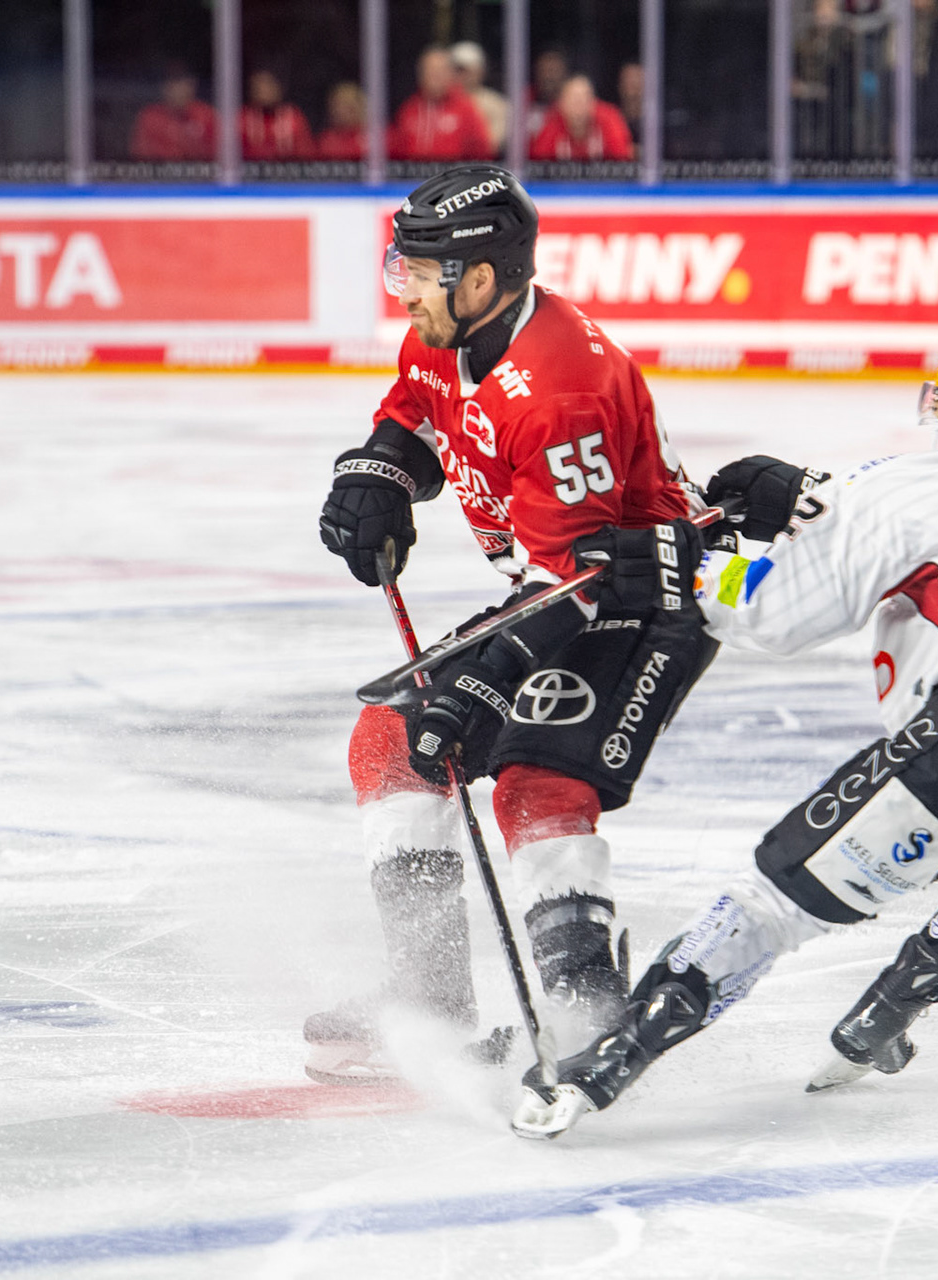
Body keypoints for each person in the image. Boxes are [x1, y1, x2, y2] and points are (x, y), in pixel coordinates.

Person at [511, 331, 938, 1137]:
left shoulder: (910, 482)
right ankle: (895, 1004)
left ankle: (605, 1062)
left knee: (775, 903)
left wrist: (687, 566)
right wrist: (814, 501)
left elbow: (773, 614)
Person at [308, 165, 712, 1084]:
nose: (403, 290)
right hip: (555, 586)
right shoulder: (444, 335)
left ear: (481, 278)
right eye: (402, 268)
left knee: (536, 777)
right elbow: (417, 417)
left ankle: (586, 1009)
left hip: (643, 599)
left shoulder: (562, 385)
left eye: (419, 273)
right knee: (391, 743)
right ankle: (429, 996)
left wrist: (483, 683)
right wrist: (380, 473)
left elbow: (584, 582)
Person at [387, 47, 493, 162]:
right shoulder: (408, 109)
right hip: (413, 172)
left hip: (454, 171)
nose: (434, 77)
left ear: (450, 74)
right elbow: (394, 150)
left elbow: (482, 150)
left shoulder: (465, 108)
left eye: (439, 71)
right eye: (429, 71)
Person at [530, 74, 634, 162]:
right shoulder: (552, 120)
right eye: (573, 100)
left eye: (584, 99)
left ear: (593, 102)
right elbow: (538, 162)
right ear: (561, 104)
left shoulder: (609, 118)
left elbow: (623, 158)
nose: (579, 106)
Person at [129, 63, 216, 162]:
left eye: (184, 82)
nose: (179, 89)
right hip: (161, 171)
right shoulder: (149, 119)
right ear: (164, 87)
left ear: (192, 85)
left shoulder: (207, 116)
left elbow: (218, 158)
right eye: (174, 83)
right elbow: (141, 159)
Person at [239, 68, 313, 161]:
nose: (264, 91)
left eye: (268, 85)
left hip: (288, 169)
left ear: (278, 88)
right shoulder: (242, 119)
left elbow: (306, 154)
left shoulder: (293, 117)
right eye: (259, 88)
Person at [449, 41, 507, 154]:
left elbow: (493, 144)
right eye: (457, 70)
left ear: (480, 71)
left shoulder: (496, 104)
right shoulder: (440, 102)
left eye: (465, 70)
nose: (461, 75)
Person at [314, 80, 366, 160]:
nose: (350, 108)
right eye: (343, 104)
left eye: (353, 102)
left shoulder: (378, 138)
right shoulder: (326, 141)